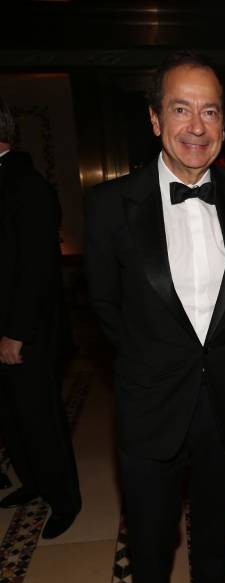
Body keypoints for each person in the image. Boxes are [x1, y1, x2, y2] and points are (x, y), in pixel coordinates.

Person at [85, 52, 225, 583]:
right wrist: (156, 362)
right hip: (150, 403)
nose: (197, 125)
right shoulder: (109, 205)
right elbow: (104, 307)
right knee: (151, 535)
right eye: (181, 108)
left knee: (215, 527)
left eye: (210, 110)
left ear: (224, 124)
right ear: (156, 119)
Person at [0, 96, 81, 539]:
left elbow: (36, 268)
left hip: (25, 331)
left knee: (39, 419)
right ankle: (33, 482)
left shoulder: (26, 184)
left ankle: (65, 500)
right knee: (13, 417)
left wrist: (16, 334)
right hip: (6, 326)